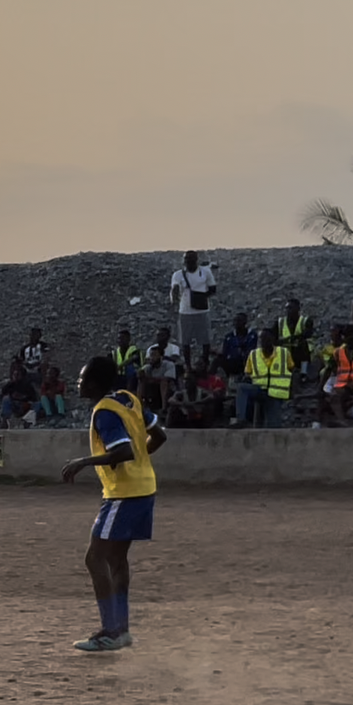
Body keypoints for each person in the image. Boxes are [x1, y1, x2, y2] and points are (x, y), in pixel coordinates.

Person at [59, 355, 163, 653]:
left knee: (95, 559)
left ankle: (111, 630)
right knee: (117, 560)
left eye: (80, 379)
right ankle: (122, 630)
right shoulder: (128, 399)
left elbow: (124, 452)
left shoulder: (103, 412)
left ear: (93, 383)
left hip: (123, 493)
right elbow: (159, 435)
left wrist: (84, 461)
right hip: (144, 488)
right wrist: (142, 462)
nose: (77, 384)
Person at [168, 250, 216, 355]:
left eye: (191, 259)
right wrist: (175, 298)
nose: (189, 261)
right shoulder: (178, 275)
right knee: (185, 340)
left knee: (205, 339)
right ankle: (188, 365)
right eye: (186, 259)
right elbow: (175, 288)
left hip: (202, 310)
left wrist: (201, 297)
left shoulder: (205, 272)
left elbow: (213, 288)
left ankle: (205, 361)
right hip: (185, 311)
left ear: (196, 260)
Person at [243, 328, 293, 428]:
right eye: (261, 338)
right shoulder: (253, 355)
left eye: (265, 338)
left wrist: (291, 388)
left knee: (274, 425)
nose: (263, 341)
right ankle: (241, 419)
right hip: (259, 390)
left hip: (276, 392)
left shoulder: (284, 353)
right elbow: (247, 373)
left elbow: (291, 369)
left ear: (273, 339)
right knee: (242, 390)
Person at [218, 313, 260, 426]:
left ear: (245, 322)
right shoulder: (229, 337)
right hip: (232, 364)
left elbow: (250, 350)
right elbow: (225, 352)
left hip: (246, 364)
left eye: (239, 321)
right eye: (235, 321)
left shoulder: (252, 335)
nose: (236, 324)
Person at [141, 325, 181, 416]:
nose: (159, 337)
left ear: (168, 336)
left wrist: (161, 359)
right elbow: (146, 362)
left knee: (164, 382)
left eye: (162, 335)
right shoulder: (152, 348)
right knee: (141, 379)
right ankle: (140, 405)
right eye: (158, 335)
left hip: (165, 375)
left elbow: (174, 359)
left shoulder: (173, 348)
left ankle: (164, 408)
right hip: (153, 375)